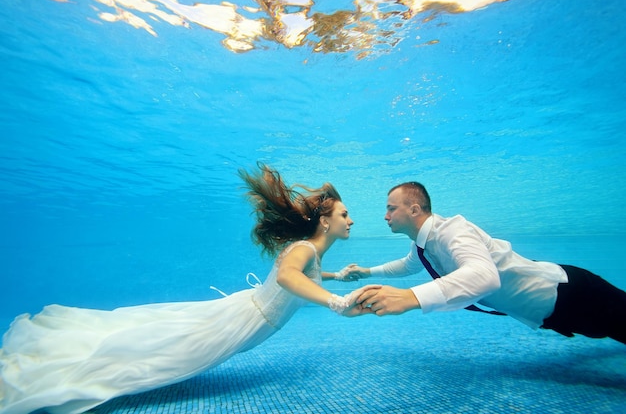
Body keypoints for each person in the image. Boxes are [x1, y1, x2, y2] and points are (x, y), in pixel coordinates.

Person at [0, 163, 369, 414]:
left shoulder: (310, 255)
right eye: (343, 215)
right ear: (324, 221)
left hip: (244, 314)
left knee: (160, 339)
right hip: (240, 322)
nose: (350, 221)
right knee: (168, 357)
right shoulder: (304, 249)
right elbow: (289, 278)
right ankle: (62, 377)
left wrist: (338, 277)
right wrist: (336, 302)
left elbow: (299, 276)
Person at [348, 181, 626, 344]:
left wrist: (411, 297)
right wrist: (365, 272)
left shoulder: (452, 231)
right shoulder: (423, 244)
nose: (386, 216)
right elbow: (408, 265)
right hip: (550, 313)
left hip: (571, 293)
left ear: (414, 209)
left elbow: (484, 276)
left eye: (390, 208)